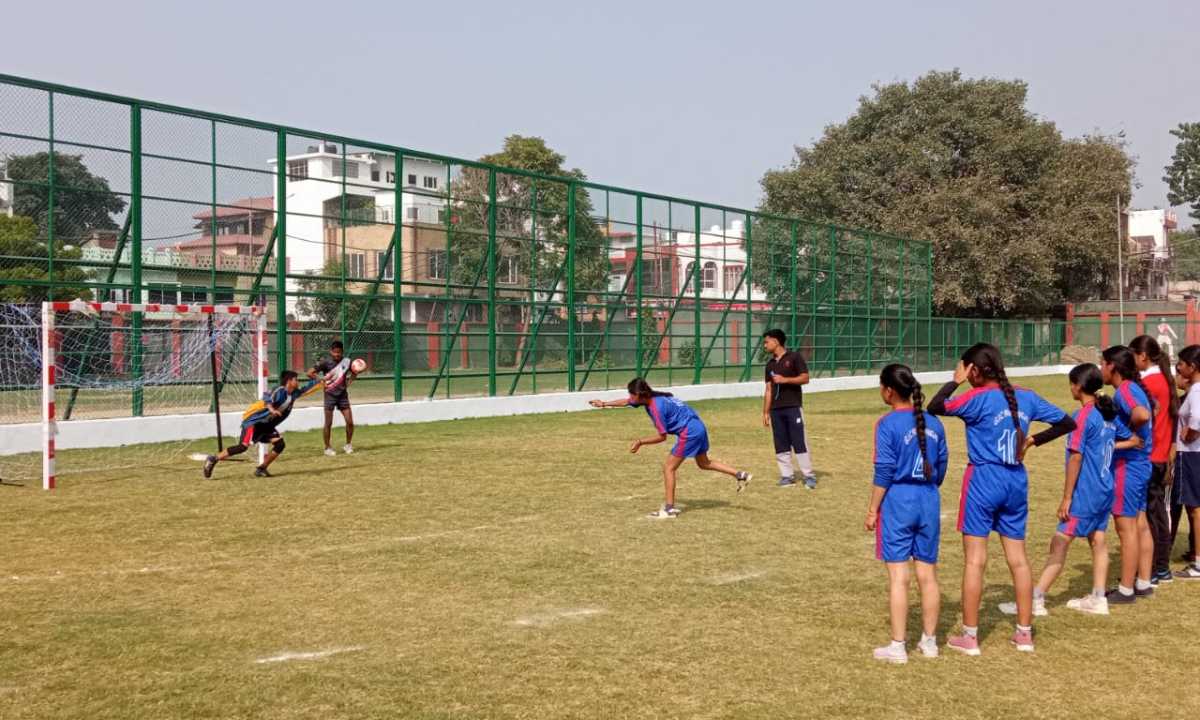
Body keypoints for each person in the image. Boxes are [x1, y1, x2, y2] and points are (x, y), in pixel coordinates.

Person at [928, 343, 1075, 656]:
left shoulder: (976, 398)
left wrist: (955, 381)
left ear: (974, 371)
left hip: (983, 479)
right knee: (1018, 559)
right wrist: (1032, 440)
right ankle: (1024, 634)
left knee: (975, 560)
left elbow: (935, 406)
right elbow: (1067, 423)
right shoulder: (1026, 396)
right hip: (1015, 481)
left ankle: (970, 637)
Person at [997, 364, 1127, 617]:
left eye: (1071, 384)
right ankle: (1098, 598)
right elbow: (1132, 439)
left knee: (1060, 542)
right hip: (1105, 489)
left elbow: (1076, 458)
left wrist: (1067, 497)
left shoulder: (1084, 416)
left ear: (1077, 387)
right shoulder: (1107, 414)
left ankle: (1036, 599)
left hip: (1086, 493)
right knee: (1098, 540)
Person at [865, 364, 948, 664]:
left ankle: (898, 646)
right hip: (929, 499)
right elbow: (941, 466)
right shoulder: (934, 423)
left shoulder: (887, 424)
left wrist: (873, 509)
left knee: (899, 577)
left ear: (888, 391)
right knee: (928, 575)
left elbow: (884, 471)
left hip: (899, 501)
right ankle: (930, 642)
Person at [590, 378, 751, 519]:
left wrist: (640, 442)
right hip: (698, 426)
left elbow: (662, 436)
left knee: (669, 468)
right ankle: (740, 475)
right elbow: (626, 402)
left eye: (632, 395)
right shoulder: (654, 397)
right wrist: (604, 404)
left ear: (640, 395)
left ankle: (669, 509)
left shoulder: (656, 408)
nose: (630, 398)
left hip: (689, 432)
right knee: (704, 463)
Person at [1100, 345, 1155, 604]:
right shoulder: (1133, 388)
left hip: (1128, 466)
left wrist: (1130, 432)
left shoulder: (1124, 390)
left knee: (1126, 528)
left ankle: (1125, 589)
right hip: (1141, 465)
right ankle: (1143, 582)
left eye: (1102, 363)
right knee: (1140, 524)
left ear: (1112, 366)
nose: (1100, 369)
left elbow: (1142, 414)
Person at [203, 370, 319, 478]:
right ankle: (213, 458)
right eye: (296, 380)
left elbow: (307, 388)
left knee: (280, 444)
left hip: (266, 425)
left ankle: (261, 468)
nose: (298, 382)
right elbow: (266, 397)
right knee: (242, 447)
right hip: (254, 422)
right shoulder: (279, 390)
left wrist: (318, 379)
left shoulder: (294, 394)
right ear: (289, 381)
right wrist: (272, 409)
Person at [1129, 335, 1179, 585]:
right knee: (1156, 512)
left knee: (1151, 516)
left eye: (1132, 355)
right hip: (1159, 454)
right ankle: (1160, 567)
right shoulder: (1163, 380)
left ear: (1143, 356)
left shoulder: (1150, 383)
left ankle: (1156, 567)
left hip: (1150, 455)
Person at [761, 329, 817, 489]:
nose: (765, 345)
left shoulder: (794, 357)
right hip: (776, 410)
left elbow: (805, 378)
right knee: (780, 443)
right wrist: (765, 411)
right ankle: (787, 476)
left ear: (776, 341)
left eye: (766, 342)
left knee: (799, 441)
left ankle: (808, 476)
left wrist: (785, 380)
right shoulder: (770, 365)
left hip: (793, 406)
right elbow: (768, 389)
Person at [1173, 344, 1200, 580]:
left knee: (1195, 509)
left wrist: (1190, 433)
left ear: (1192, 367)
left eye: (1181, 364)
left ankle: (1198, 562)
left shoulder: (1196, 391)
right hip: (1193, 453)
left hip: (1192, 454)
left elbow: (1197, 418)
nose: (1179, 368)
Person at [308, 340, 357, 456]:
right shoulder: (325, 362)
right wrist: (321, 381)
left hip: (343, 396)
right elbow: (310, 373)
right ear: (331, 351)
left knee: (350, 422)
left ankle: (348, 444)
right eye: (335, 352)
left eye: (339, 352)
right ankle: (327, 448)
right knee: (328, 423)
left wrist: (349, 382)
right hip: (329, 395)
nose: (337, 354)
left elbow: (355, 372)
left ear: (342, 352)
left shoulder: (347, 362)